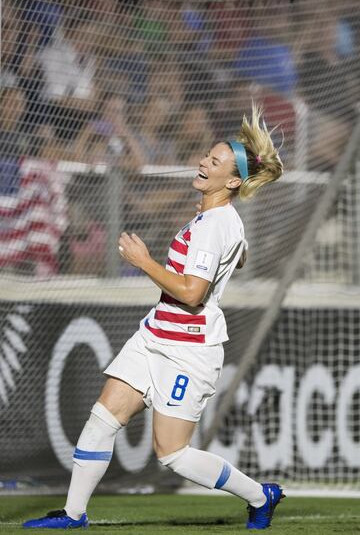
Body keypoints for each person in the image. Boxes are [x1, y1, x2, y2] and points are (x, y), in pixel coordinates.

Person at [23, 104, 285, 531]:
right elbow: (230, 260)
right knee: (103, 417)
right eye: (207, 155)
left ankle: (261, 495)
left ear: (233, 181)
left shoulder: (215, 224)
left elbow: (192, 293)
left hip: (187, 351)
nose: (204, 161)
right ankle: (72, 515)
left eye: (215, 162)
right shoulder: (218, 220)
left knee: (172, 455)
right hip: (155, 336)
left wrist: (143, 261)